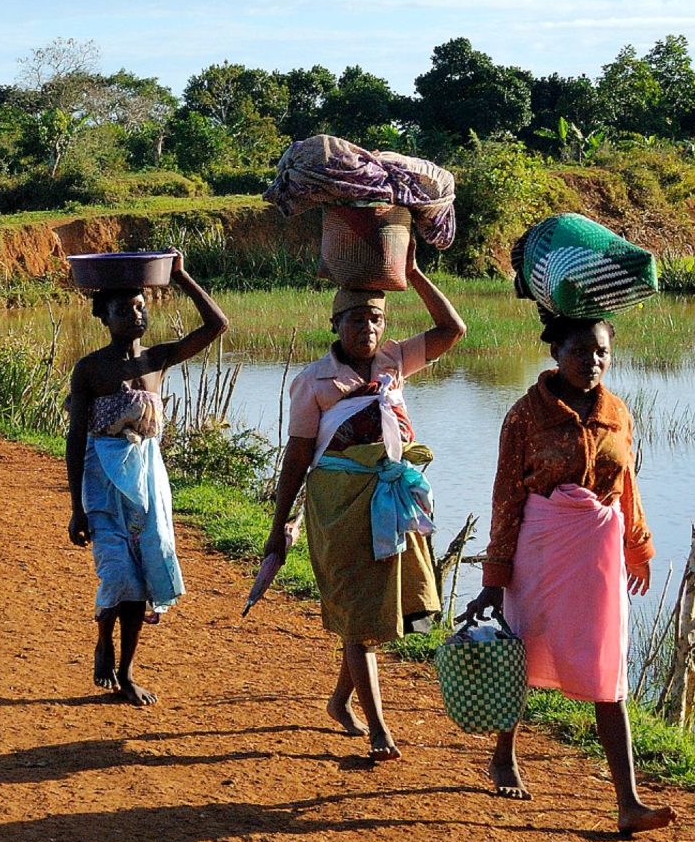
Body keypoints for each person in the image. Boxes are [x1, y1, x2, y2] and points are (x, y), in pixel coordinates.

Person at [461, 315, 674, 836]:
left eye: (601, 352)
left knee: (608, 670)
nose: (592, 362)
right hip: (540, 546)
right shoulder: (524, 416)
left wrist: (637, 546)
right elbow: (507, 495)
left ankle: (628, 802)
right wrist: (496, 572)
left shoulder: (618, 413)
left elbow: (627, 486)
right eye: (581, 351)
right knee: (523, 652)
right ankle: (504, 753)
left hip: (597, 552)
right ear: (556, 352)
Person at [260, 243, 465, 760]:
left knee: (376, 611)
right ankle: (379, 729)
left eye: (375, 318)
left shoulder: (394, 359)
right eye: (356, 319)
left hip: (389, 499)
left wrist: (414, 272)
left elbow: (452, 331)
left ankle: (338, 699)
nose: (367, 329)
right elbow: (299, 455)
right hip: (339, 506)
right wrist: (279, 523)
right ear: (337, 325)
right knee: (357, 613)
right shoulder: (314, 382)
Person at [67, 250, 228, 705]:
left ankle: (126, 670)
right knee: (118, 574)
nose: (135, 314)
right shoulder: (91, 369)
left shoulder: (157, 360)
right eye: (123, 309)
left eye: (140, 306)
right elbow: (76, 437)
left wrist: (183, 275)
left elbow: (217, 326)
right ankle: (104, 639)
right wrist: (77, 506)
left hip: (148, 480)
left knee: (143, 575)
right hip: (102, 479)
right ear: (104, 317)